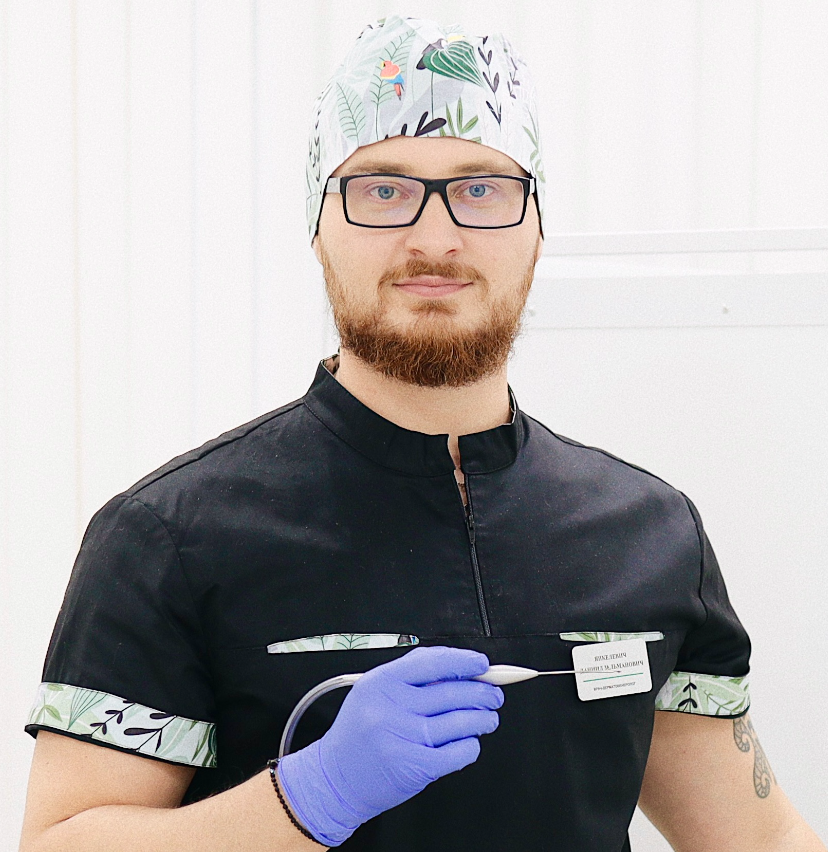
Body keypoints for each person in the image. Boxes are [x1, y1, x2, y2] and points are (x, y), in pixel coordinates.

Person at [19, 14, 825, 852]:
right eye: (383, 191)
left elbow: (758, 840)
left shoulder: (653, 535)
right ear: (318, 227)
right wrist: (307, 797)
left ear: (536, 229)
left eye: (480, 190)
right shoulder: (169, 539)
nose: (434, 239)